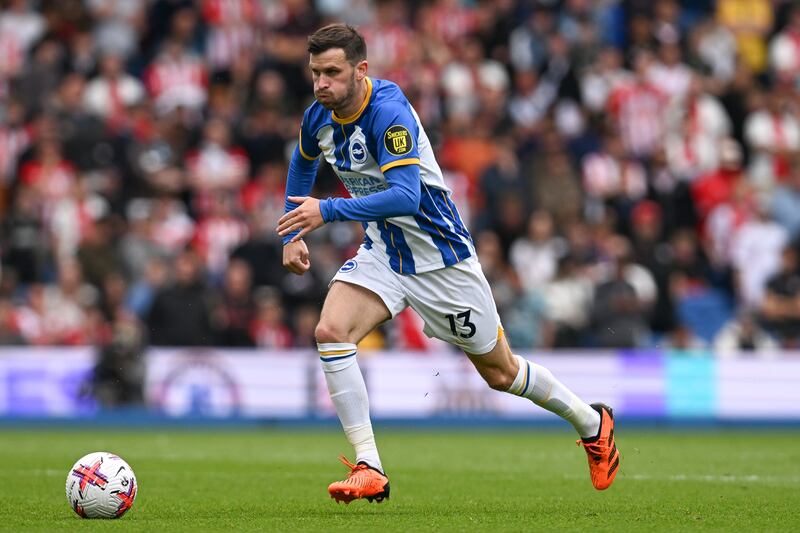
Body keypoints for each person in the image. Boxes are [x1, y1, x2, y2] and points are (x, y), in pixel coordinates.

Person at [277, 24, 620, 504]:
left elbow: (405, 195)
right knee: (331, 332)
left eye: (332, 72)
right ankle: (368, 465)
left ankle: (592, 423)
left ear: (361, 70)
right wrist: (293, 230)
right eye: (315, 73)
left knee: (500, 374)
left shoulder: (388, 115)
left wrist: (326, 210)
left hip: (441, 259)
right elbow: (303, 161)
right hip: (384, 252)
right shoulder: (319, 115)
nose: (321, 84)